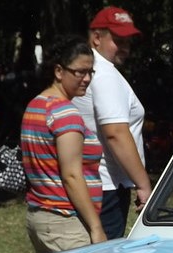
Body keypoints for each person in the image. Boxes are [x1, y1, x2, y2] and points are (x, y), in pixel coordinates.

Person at [21, 36, 107, 253]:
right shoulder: (65, 114)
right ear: (59, 71)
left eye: (91, 72)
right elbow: (71, 176)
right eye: (80, 72)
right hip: (66, 223)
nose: (87, 79)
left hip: (39, 218)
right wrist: (96, 227)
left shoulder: (35, 105)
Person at [74, 6, 151, 239]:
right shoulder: (104, 74)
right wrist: (144, 185)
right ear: (97, 37)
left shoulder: (88, 69)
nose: (126, 48)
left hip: (94, 183)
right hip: (106, 188)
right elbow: (115, 132)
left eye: (129, 41)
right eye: (119, 40)